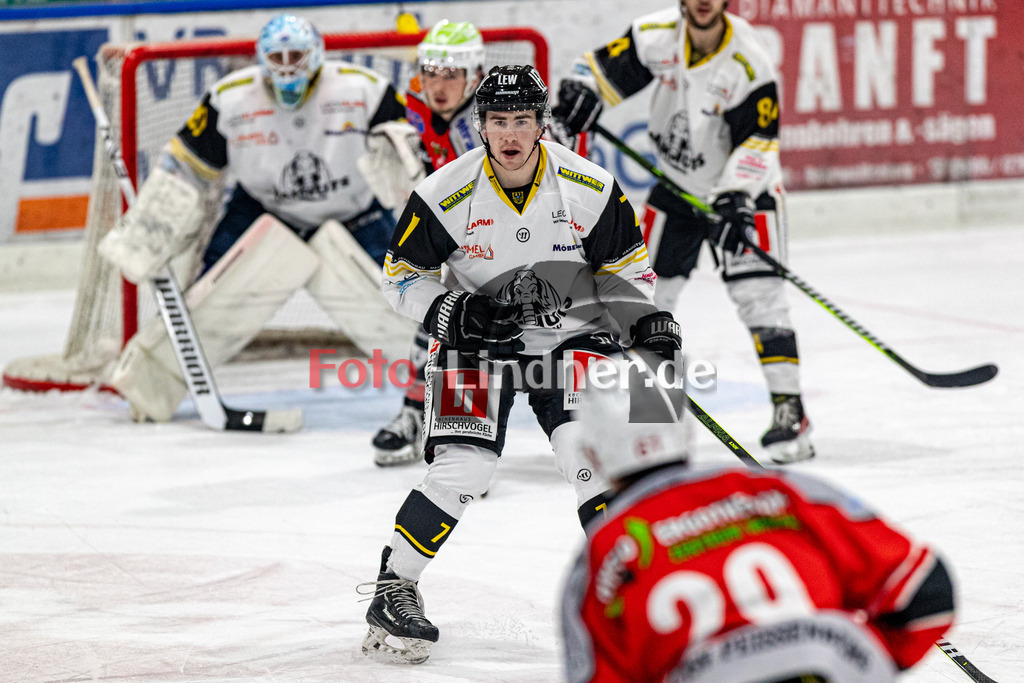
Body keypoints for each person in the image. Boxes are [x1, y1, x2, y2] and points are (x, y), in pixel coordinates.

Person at [358, 64, 682, 664]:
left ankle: (634, 593)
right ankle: (394, 585)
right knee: (464, 471)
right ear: (481, 125)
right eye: (499, 120)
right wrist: (455, 310)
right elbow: (400, 280)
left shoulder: (589, 186)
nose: (510, 133)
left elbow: (628, 273)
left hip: (570, 339)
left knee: (591, 457)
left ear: (542, 124)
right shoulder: (443, 192)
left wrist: (645, 321)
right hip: (474, 344)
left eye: (523, 120)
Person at [560, 356, 956, 682]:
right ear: (686, 432)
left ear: (592, 454)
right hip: (831, 665)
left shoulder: (600, 555)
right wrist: (868, 664)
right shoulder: (786, 491)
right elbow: (927, 591)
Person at [97, 13, 413, 422]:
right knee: (207, 296)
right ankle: (151, 385)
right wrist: (151, 227)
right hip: (262, 207)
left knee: (406, 294)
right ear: (260, 58)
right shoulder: (230, 99)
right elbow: (185, 167)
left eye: (295, 55)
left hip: (356, 211)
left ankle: (448, 380)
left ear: (316, 56)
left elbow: (411, 155)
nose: (286, 66)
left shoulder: (364, 89)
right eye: (276, 57)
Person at [553, 0, 814, 463]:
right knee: (645, 301)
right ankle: (656, 417)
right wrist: (580, 90)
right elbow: (593, 69)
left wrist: (737, 195)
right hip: (676, 188)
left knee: (760, 297)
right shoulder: (656, 35)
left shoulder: (748, 62)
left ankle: (789, 408)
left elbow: (759, 141)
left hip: (743, 194)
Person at [370, 19, 488, 467]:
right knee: (440, 322)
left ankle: (621, 426)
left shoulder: (485, 121)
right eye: (432, 73)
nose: (439, 86)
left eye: (452, 75)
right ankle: (421, 416)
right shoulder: (415, 108)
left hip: (524, 237)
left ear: (473, 75)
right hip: (464, 238)